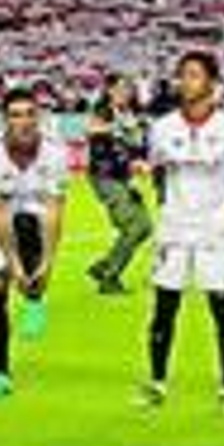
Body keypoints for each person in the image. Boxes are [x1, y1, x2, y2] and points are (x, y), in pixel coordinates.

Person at [138, 50, 224, 410]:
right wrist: (169, 205)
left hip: (213, 230)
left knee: (222, 307)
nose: (185, 81)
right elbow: (158, 170)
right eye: (182, 74)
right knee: (164, 307)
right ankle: (157, 382)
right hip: (174, 228)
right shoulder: (163, 127)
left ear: (212, 83)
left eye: (193, 75)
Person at [0, 86, 68, 399]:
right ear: (5, 120)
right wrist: (12, 264)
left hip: (37, 217)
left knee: (32, 257)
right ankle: (0, 373)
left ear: (39, 117)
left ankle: (34, 297)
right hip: (1, 218)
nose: (24, 121)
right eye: (16, 115)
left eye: (30, 114)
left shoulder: (55, 151)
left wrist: (48, 262)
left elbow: (55, 208)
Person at [84, 74, 152, 294]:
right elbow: (91, 130)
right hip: (106, 176)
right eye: (120, 88)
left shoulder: (134, 117)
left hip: (125, 178)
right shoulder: (103, 112)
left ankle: (104, 265)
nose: (125, 93)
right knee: (134, 227)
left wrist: (141, 162)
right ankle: (109, 278)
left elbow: (139, 149)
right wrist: (117, 128)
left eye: (129, 89)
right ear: (110, 91)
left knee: (145, 227)